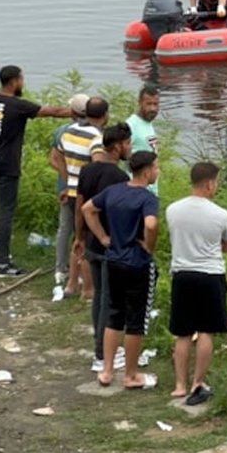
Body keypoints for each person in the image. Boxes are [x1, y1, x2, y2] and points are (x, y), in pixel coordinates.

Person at [0, 65, 73, 277]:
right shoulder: (18, 105)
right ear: (15, 81)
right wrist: (78, 112)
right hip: (7, 166)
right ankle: (3, 263)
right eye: (22, 79)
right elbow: (51, 112)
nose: (22, 83)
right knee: (6, 212)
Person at [82, 150, 160, 390]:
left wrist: (103, 236)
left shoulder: (114, 191)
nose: (158, 172)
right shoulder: (148, 198)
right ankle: (130, 374)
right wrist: (149, 245)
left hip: (113, 259)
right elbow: (151, 223)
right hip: (137, 263)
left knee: (114, 315)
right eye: (157, 168)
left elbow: (87, 208)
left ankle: (106, 371)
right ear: (146, 172)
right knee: (136, 320)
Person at [165, 162, 227, 405]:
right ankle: (198, 382)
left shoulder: (173, 210)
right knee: (206, 330)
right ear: (209, 183)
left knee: (183, 333)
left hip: (182, 274)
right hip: (210, 275)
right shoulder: (221, 214)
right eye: (216, 182)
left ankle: (179, 385)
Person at [52, 96, 110, 298]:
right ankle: (88, 287)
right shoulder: (97, 138)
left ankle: (70, 284)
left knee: (76, 236)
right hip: (87, 196)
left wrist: (68, 182)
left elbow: (57, 157)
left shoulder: (69, 131)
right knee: (87, 238)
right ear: (105, 115)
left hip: (70, 191)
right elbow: (98, 167)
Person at [47, 93, 89, 287]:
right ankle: (80, 271)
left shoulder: (62, 131)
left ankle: (61, 269)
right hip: (87, 189)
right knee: (83, 230)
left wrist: (67, 179)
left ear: (72, 112)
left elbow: (53, 159)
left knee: (65, 228)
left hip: (66, 187)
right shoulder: (94, 133)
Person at [126, 86, 160, 196]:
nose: (153, 109)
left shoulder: (148, 123)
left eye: (155, 104)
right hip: (137, 191)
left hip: (150, 189)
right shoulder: (131, 125)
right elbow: (123, 154)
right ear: (140, 102)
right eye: (148, 104)